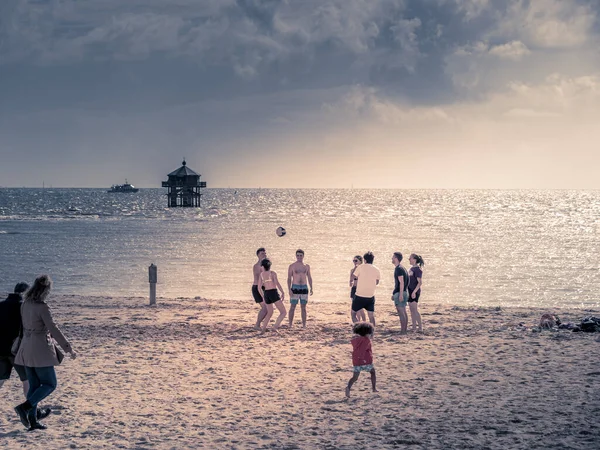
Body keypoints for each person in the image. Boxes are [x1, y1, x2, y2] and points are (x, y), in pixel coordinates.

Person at [14, 275, 76, 431]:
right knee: (50, 383)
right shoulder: (42, 307)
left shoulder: (25, 304)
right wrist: (68, 349)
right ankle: (25, 407)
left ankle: (33, 421)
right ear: (46, 290)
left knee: (34, 386)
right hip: (40, 349)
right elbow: (53, 329)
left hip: (26, 348)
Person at [345, 322, 378, 398]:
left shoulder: (356, 340)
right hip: (365, 360)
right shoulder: (366, 340)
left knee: (355, 377)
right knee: (373, 372)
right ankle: (374, 388)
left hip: (356, 361)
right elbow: (362, 350)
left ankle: (348, 388)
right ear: (367, 333)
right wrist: (363, 359)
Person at [351, 251, 380, 327]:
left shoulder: (360, 267)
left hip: (359, 295)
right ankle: (372, 334)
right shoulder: (377, 269)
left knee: (353, 313)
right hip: (370, 296)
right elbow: (377, 282)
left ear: (365, 260)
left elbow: (353, 277)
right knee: (371, 316)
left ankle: (360, 328)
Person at [257, 259, 286, 334]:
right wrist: (282, 292)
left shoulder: (261, 275)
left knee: (269, 313)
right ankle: (275, 327)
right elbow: (277, 283)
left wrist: (263, 296)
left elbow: (259, 287)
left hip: (266, 293)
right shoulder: (272, 273)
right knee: (283, 312)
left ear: (263, 266)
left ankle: (263, 329)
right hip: (273, 292)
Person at [287, 249, 313, 328]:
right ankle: (290, 324)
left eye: (300, 255)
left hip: (304, 288)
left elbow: (309, 277)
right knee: (292, 306)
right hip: (295, 287)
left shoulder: (306, 266)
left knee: (303, 307)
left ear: (303, 256)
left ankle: (304, 324)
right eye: (298, 255)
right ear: (296, 256)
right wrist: (289, 289)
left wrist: (311, 287)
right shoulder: (292, 266)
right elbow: (289, 279)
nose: (299, 257)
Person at [391, 252, 409, 333]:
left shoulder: (399, 269)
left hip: (401, 292)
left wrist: (401, 294)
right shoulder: (402, 268)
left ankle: (403, 330)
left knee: (401, 312)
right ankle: (404, 330)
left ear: (396, 258)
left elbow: (401, 282)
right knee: (403, 311)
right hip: (403, 291)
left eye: (393, 257)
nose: (392, 258)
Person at [408, 254, 424, 332]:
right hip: (410, 290)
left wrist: (414, 292)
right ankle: (414, 327)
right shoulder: (411, 268)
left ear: (414, 259)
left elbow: (420, 282)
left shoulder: (418, 270)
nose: (409, 259)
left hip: (415, 291)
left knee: (415, 309)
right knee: (411, 310)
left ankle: (420, 327)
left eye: (410, 258)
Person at [252, 248, 268, 330]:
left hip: (264, 288)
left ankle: (259, 325)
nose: (264, 255)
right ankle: (257, 325)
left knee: (268, 308)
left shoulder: (265, 265)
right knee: (265, 308)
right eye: (262, 253)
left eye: (265, 253)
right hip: (257, 288)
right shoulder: (256, 266)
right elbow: (259, 279)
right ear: (258, 255)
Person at [349, 256, 366, 322]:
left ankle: (364, 321)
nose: (354, 262)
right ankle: (358, 321)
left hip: (360, 289)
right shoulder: (352, 270)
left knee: (360, 307)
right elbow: (350, 281)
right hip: (354, 288)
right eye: (353, 261)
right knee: (355, 307)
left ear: (360, 261)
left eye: (356, 261)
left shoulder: (362, 270)